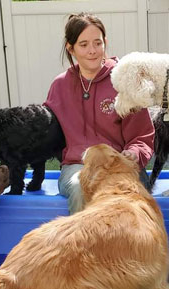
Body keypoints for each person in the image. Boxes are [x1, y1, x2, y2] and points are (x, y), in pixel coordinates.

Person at [44, 12, 154, 214]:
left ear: (105, 42)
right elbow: (48, 134)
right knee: (80, 188)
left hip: (120, 163)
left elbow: (142, 136)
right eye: (83, 45)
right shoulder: (59, 86)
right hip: (78, 166)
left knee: (127, 195)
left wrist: (133, 153)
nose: (92, 51)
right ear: (71, 48)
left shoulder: (123, 81)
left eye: (97, 43)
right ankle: (87, 245)